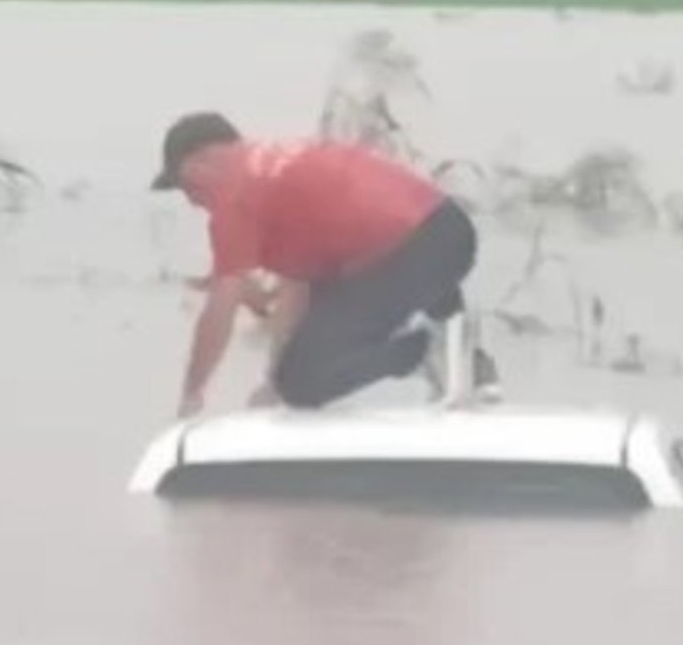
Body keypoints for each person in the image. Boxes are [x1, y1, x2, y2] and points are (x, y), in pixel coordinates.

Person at [151, 111, 500, 419]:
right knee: (307, 345)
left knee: (301, 383)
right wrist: (272, 383)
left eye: (187, 188)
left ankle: (423, 351)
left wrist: (191, 397)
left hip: (411, 254)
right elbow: (299, 289)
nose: (194, 203)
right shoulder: (280, 162)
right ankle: (468, 360)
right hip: (449, 233)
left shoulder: (235, 197)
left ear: (200, 163)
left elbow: (220, 308)